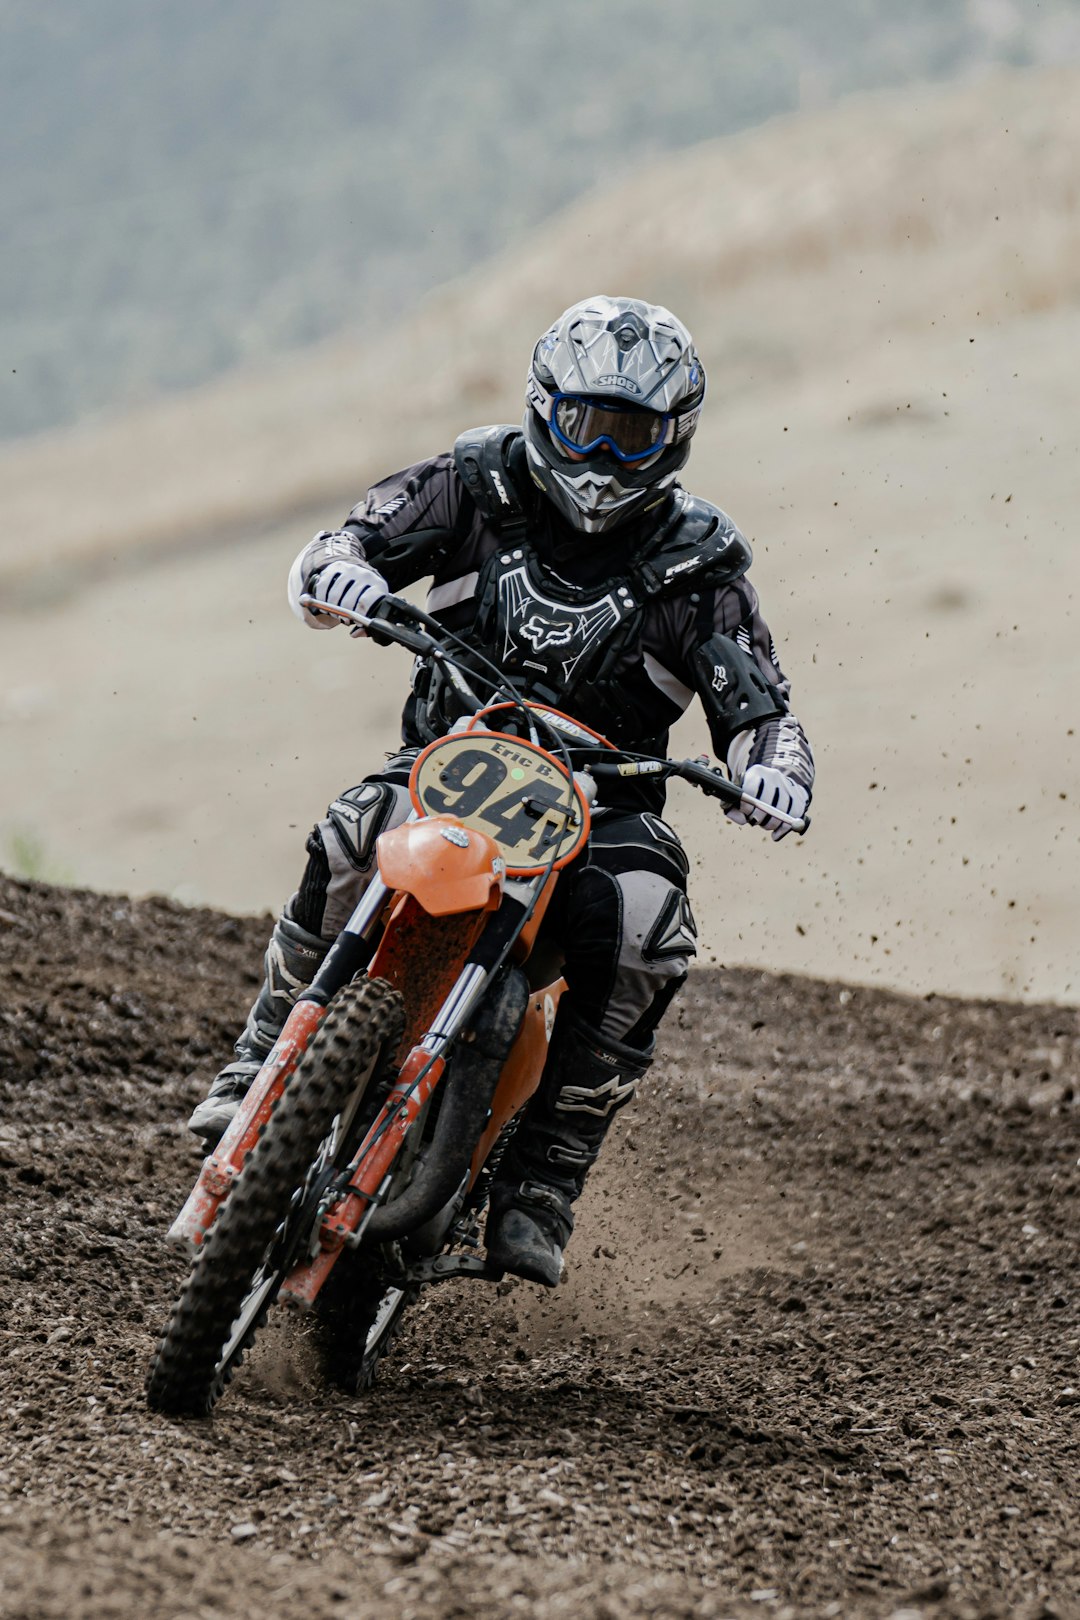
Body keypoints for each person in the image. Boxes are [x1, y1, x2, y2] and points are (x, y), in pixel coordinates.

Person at [188, 295, 815, 1287]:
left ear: (676, 439)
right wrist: (342, 574)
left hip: (601, 813)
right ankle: (259, 1058)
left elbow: (760, 708)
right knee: (353, 831)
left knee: (650, 921)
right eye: (585, 427)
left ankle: (543, 1178)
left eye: (633, 437)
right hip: (447, 768)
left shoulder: (701, 567)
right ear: (543, 409)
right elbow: (346, 541)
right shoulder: (475, 485)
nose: (605, 459)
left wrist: (773, 768)